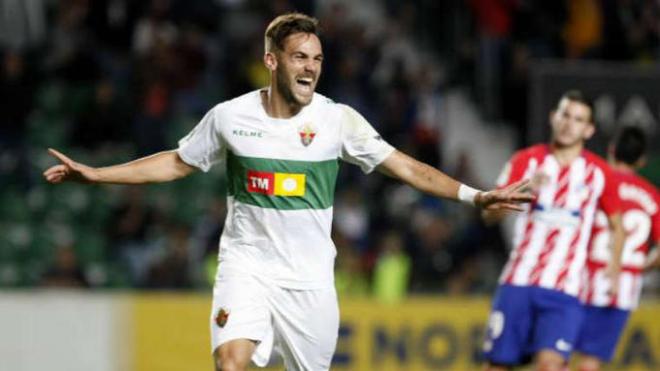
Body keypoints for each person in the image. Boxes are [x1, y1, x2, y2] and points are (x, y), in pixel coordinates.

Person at [43, 13, 532, 371]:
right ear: (271, 61)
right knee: (230, 363)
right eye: (300, 56)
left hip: (309, 281)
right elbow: (176, 162)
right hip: (246, 266)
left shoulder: (337, 121)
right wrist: (98, 174)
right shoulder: (230, 117)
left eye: (317, 59)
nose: (311, 68)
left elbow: (407, 168)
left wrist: (474, 195)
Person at [481, 90, 625, 371]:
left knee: (551, 365)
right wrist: (522, 190)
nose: (569, 124)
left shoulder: (599, 173)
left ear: (589, 129)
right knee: (496, 366)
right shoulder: (525, 161)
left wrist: (614, 267)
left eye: (578, 119)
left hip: (565, 289)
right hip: (518, 283)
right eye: (565, 115)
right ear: (553, 117)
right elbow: (489, 216)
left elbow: (618, 225)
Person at [574, 127, 660, 371]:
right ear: (642, 160)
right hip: (622, 287)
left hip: (581, 279)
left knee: (554, 354)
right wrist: (641, 266)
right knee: (590, 363)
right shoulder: (652, 196)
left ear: (611, 150)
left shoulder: (596, 184)